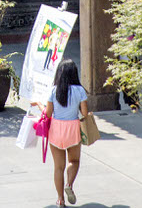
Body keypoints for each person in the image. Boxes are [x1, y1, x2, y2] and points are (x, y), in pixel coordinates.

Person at [35, 59, 88, 208]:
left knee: (58, 167)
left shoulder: (53, 90)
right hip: (73, 129)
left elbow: (48, 113)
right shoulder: (80, 90)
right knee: (74, 161)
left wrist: (39, 104)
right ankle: (69, 184)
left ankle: (60, 199)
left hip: (56, 131)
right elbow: (84, 113)